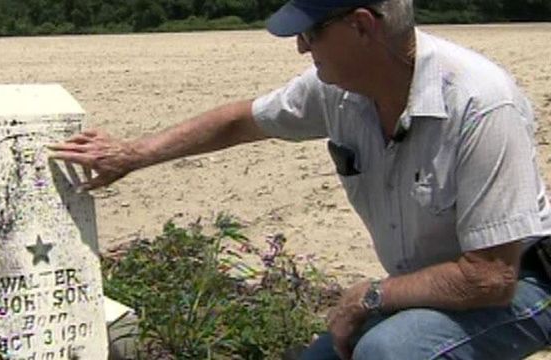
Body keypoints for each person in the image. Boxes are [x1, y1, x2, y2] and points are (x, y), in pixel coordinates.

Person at [49, 0, 551, 358]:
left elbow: (490, 277)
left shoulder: (481, 104)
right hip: (425, 287)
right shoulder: (335, 90)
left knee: (389, 350)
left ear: (361, 26)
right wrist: (130, 155)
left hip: (524, 285)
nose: (299, 48)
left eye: (310, 32)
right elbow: (241, 120)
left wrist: (370, 295)